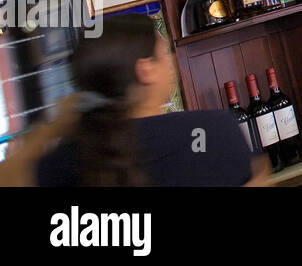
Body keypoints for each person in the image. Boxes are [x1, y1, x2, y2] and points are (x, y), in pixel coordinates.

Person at [33, 14, 267, 186]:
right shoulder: (213, 130)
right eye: (164, 52)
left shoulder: (58, 165)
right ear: (145, 70)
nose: (172, 59)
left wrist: (51, 129)